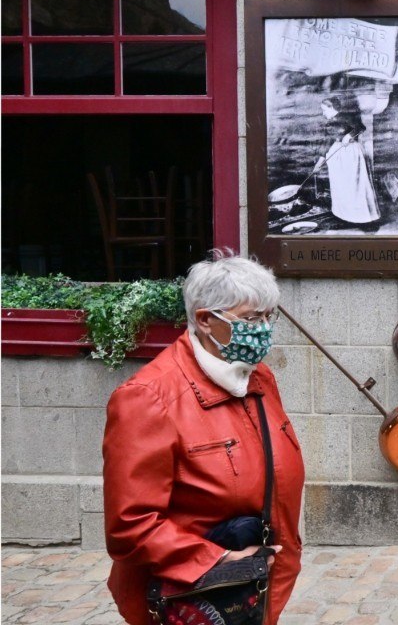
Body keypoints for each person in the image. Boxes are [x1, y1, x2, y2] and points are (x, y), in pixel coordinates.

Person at [102, 251, 305, 625]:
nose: (262, 328)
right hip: (197, 596)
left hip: (253, 589)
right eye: (250, 318)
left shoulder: (256, 379)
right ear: (205, 320)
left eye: (267, 316)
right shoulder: (149, 398)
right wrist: (220, 562)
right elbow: (130, 525)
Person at [314, 96, 380, 225]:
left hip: (351, 156)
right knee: (341, 187)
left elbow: (361, 127)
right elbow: (325, 144)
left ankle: (363, 218)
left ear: (331, 108)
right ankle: (345, 216)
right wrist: (319, 164)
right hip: (337, 160)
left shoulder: (347, 117)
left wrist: (349, 136)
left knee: (355, 186)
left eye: (324, 110)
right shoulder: (329, 124)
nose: (323, 113)